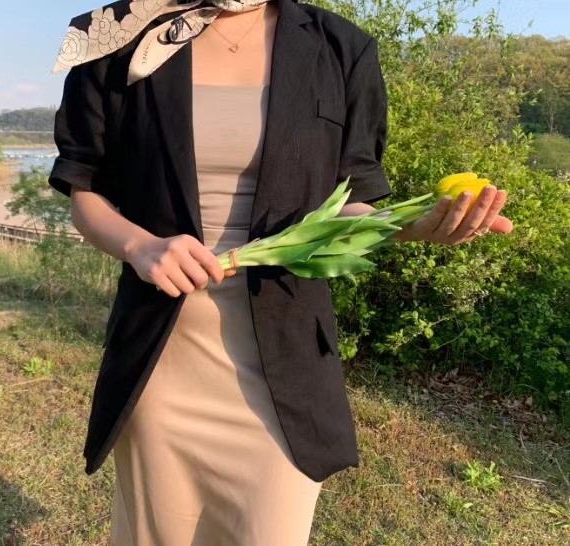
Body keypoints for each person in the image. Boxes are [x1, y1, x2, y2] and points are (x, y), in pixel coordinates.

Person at [48, 0, 512, 544]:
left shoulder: (341, 48)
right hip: (162, 361)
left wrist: (410, 225)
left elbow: (348, 205)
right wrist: (141, 247)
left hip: (285, 367)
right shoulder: (117, 34)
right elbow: (85, 194)